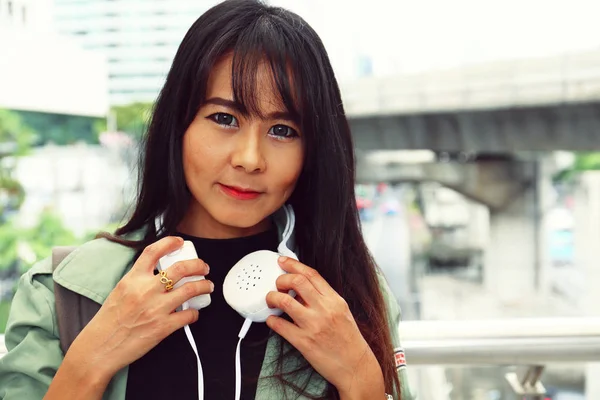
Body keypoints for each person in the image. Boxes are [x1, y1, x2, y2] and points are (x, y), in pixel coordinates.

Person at [0, 1, 413, 399]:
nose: (250, 159)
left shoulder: (351, 293)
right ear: (178, 124)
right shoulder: (62, 293)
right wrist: (91, 360)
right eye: (224, 119)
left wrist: (361, 380)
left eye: (283, 130)